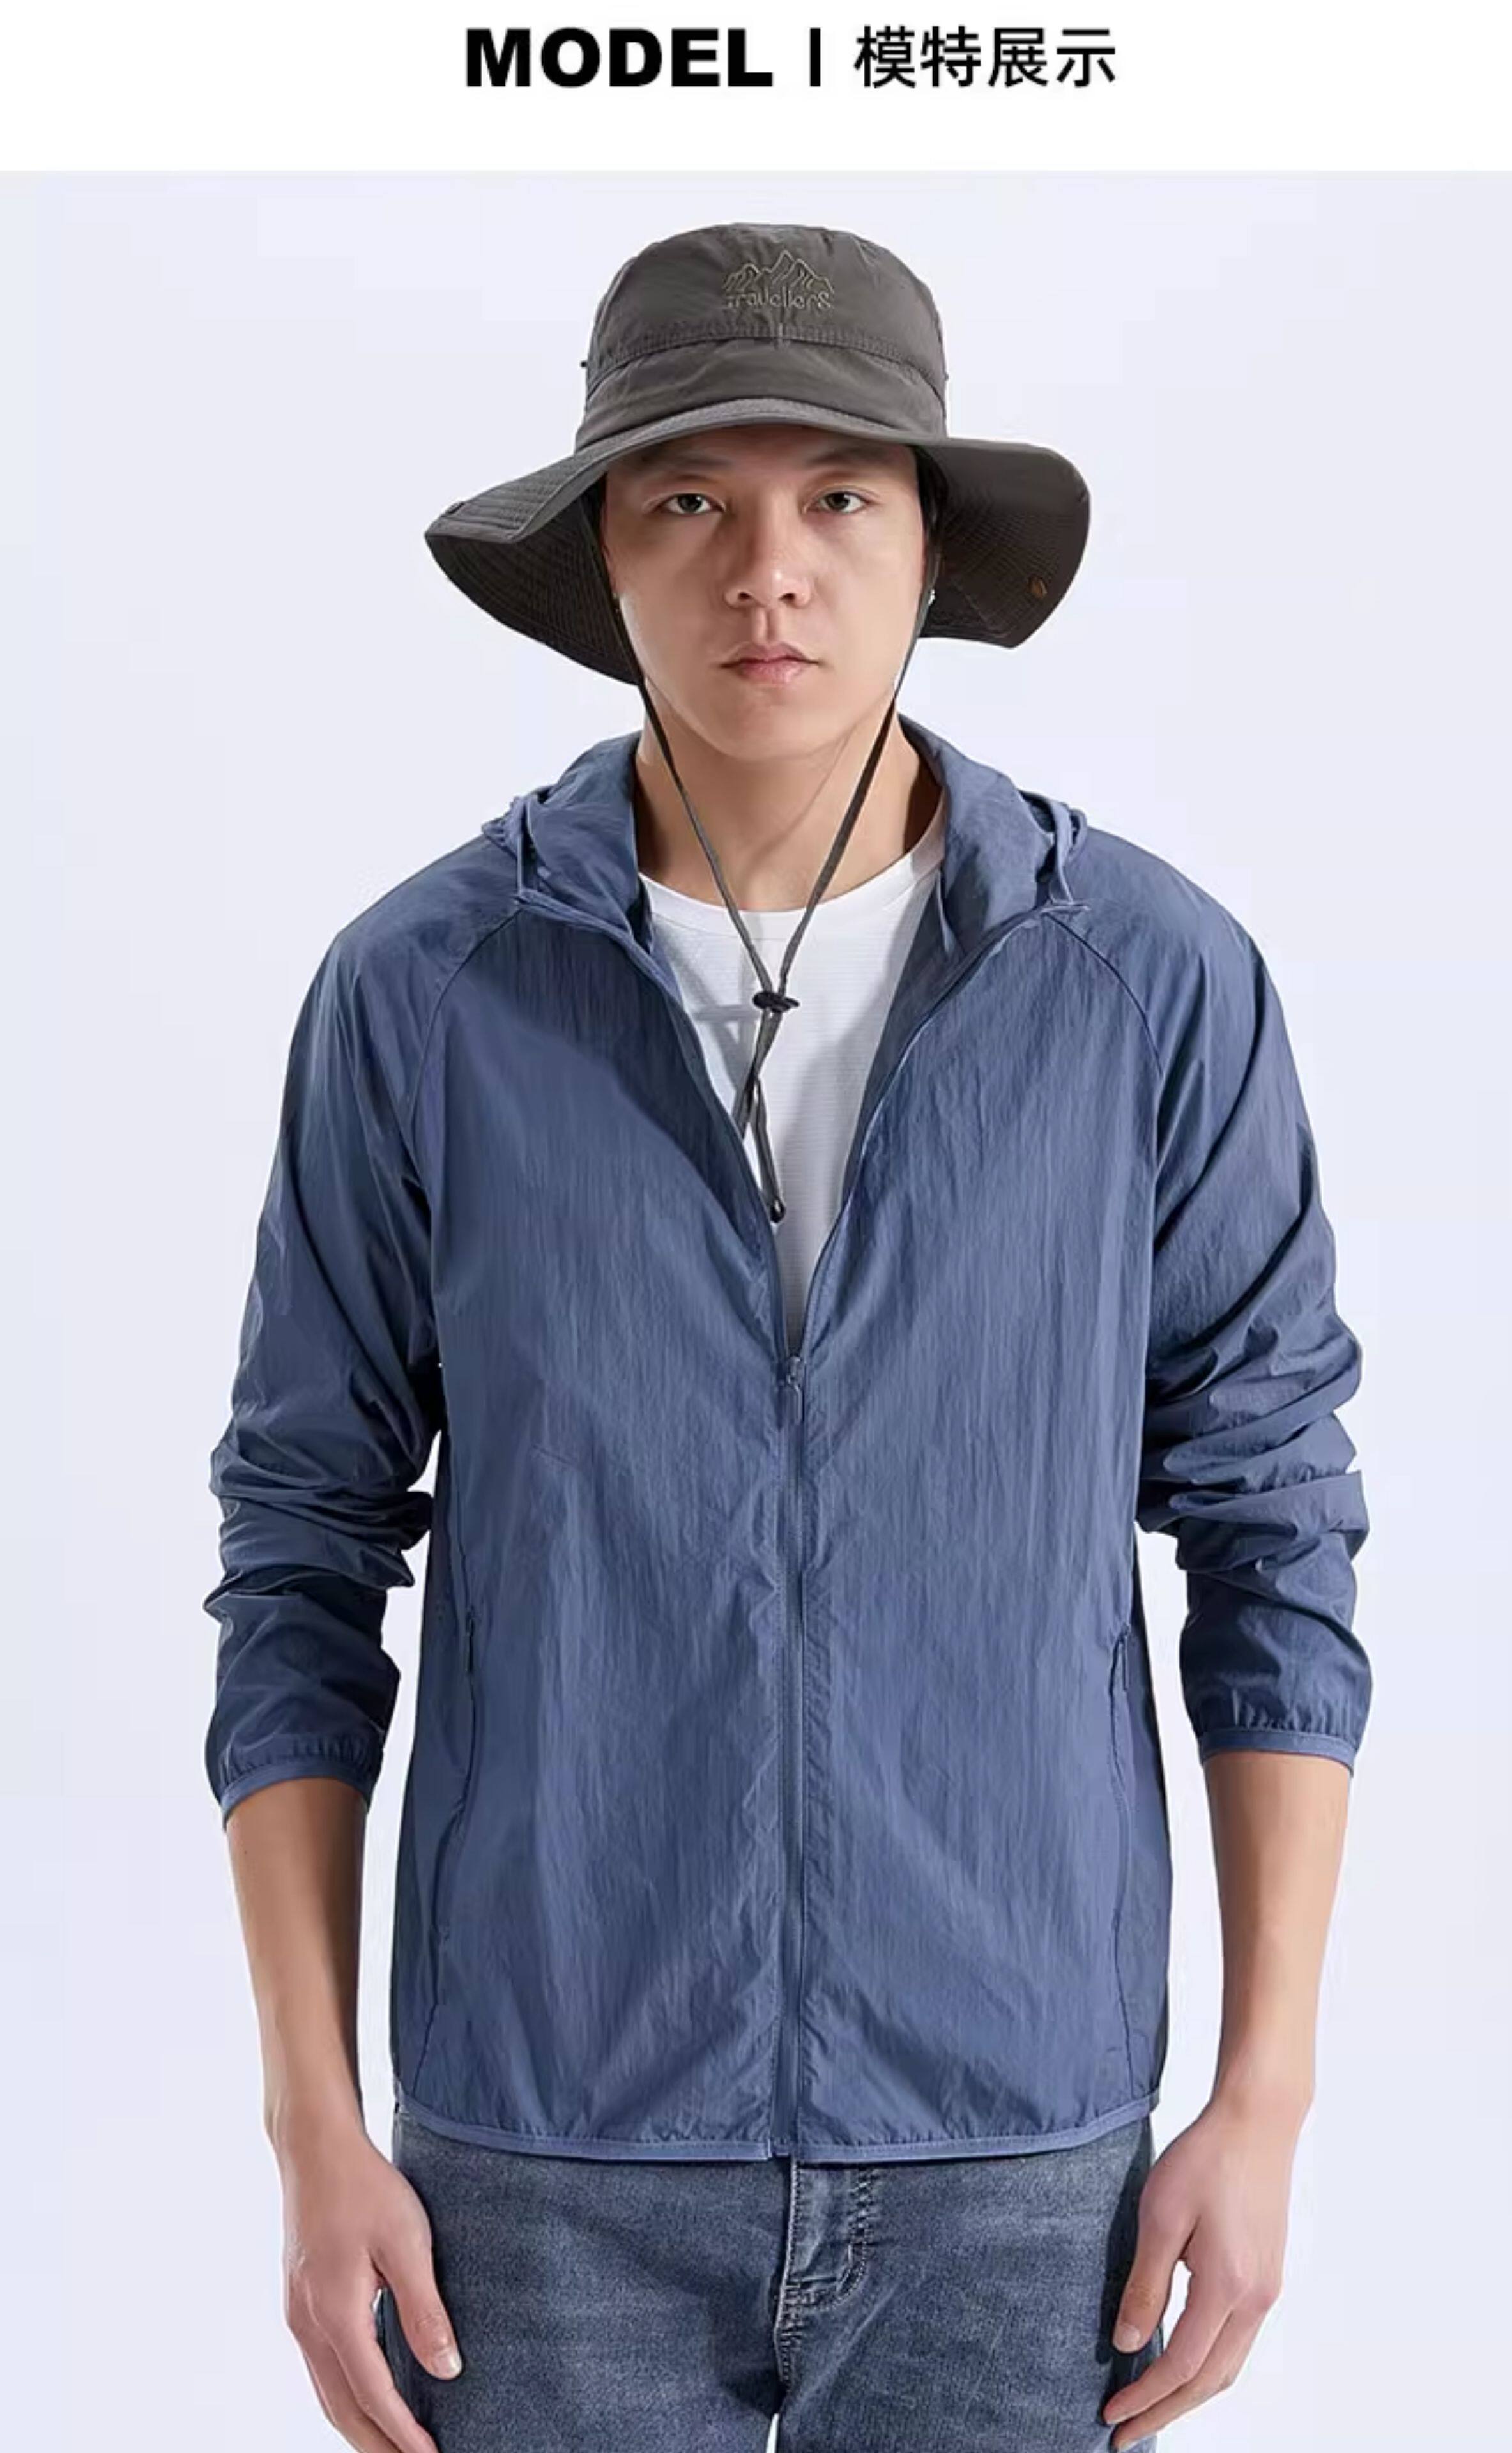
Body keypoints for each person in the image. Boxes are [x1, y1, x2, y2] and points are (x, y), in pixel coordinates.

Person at [202, 222, 1371, 2453]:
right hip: (537, 2158)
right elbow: (299, 1555)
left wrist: (1266, 2096)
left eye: (840, 495)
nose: (769, 570)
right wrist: (312, 2128)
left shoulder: (1146, 986)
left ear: (929, 548)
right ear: (603, 557)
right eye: (688, 501)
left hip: (1018, 2146)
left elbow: (1276, 1532)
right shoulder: (422, 997)